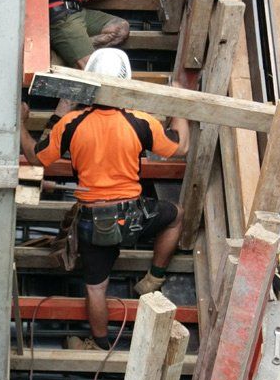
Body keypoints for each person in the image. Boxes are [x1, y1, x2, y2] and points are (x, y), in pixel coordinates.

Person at [20, 48, 190, 351]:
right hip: (134, 217)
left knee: (96, 287)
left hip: (92, 223)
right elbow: (179, 147)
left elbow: (38, 157)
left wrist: (20, 124)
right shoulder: (142, 122)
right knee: (176, 214)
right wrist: (179, 103)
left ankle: (98, 344)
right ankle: (154, 278)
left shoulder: (70, 124)